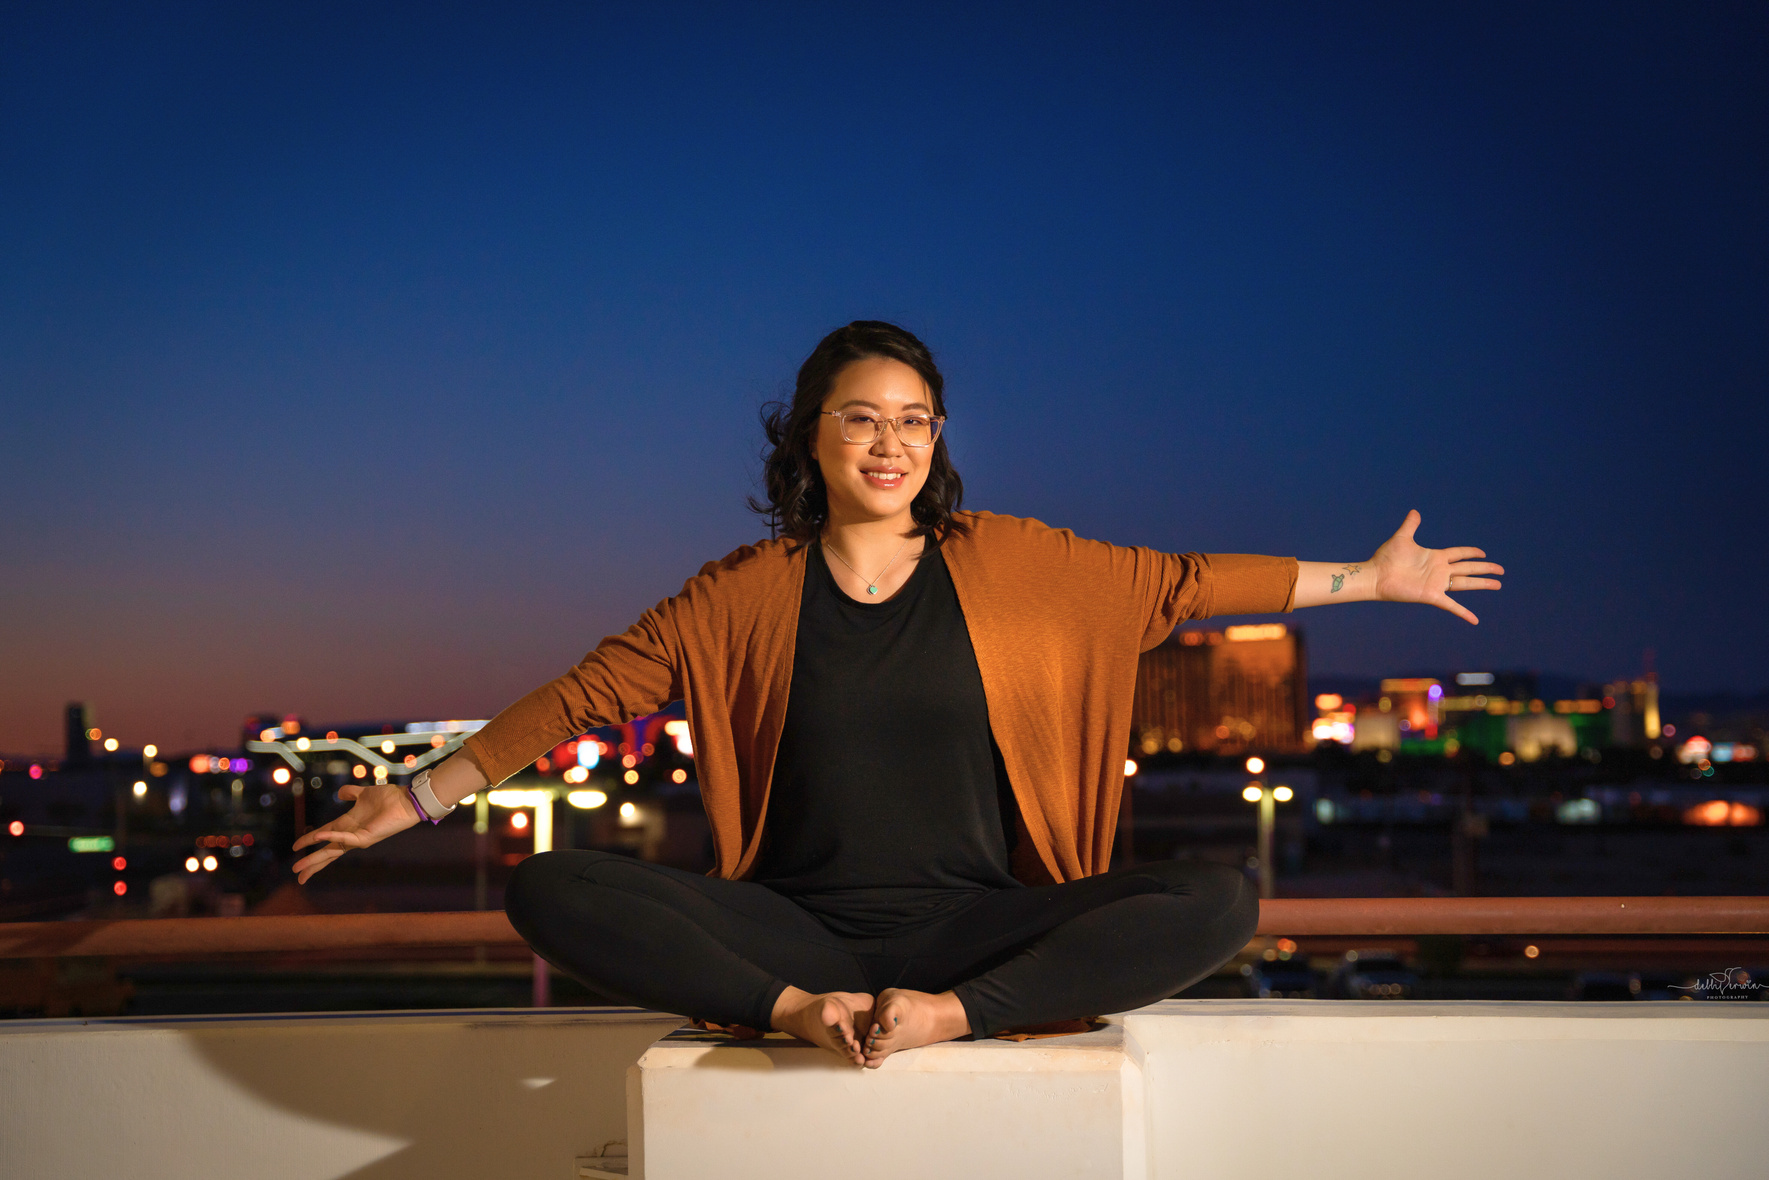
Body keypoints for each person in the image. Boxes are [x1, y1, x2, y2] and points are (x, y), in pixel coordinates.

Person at [292, 321, 1501, 1068]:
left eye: (914, 420)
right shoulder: (737, 593)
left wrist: (1370, 578)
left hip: (974, 927)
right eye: (861, 418)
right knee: (554, 885)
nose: (891, 442)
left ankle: (943, 1019)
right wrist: (415, 800)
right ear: (807, 438)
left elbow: (1183, 581)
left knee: (1221, 899)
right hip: (791, 926)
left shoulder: (1022, 563)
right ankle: (802, 1014)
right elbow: (584, 696)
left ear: (936, 441)